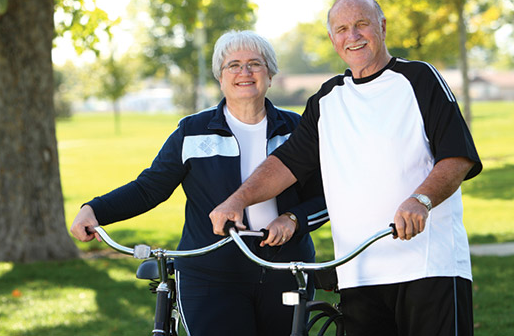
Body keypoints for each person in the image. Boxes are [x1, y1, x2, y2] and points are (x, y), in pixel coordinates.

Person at [210, 0, 482, 336]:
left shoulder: (419, 79)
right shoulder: (326, 100)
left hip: (429, 267)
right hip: (358, 273)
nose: (352, 36)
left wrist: (421, 199)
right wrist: (238, 200)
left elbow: (457, 157)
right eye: (341, 28)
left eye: (361, 25)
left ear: (381, 27)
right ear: (332, 39)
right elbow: (285, 165)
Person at [70, 30, 328, 336]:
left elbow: (328, 198)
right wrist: (95, 210)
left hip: (284, 270)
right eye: (233, 65)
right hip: (210, 274)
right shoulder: (191, 131)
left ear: (270, 74)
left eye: (254, 64)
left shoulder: (298, 129)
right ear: (219, 77)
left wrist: (293, 219)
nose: (244, 72)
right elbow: (149, 188)